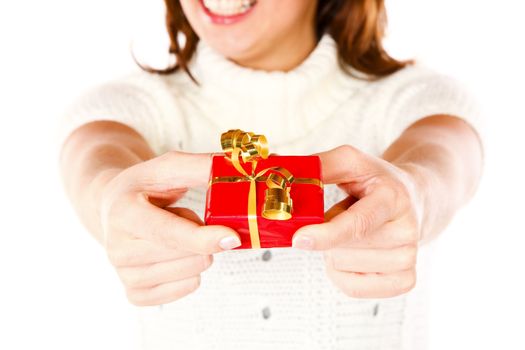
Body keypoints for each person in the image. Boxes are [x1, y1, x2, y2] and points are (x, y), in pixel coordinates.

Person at [58, 0, 484, 349]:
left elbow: (443, 156)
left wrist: (415, 193)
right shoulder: (125, 106)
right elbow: (94, 157)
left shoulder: (418, 99)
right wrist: (108, 198)